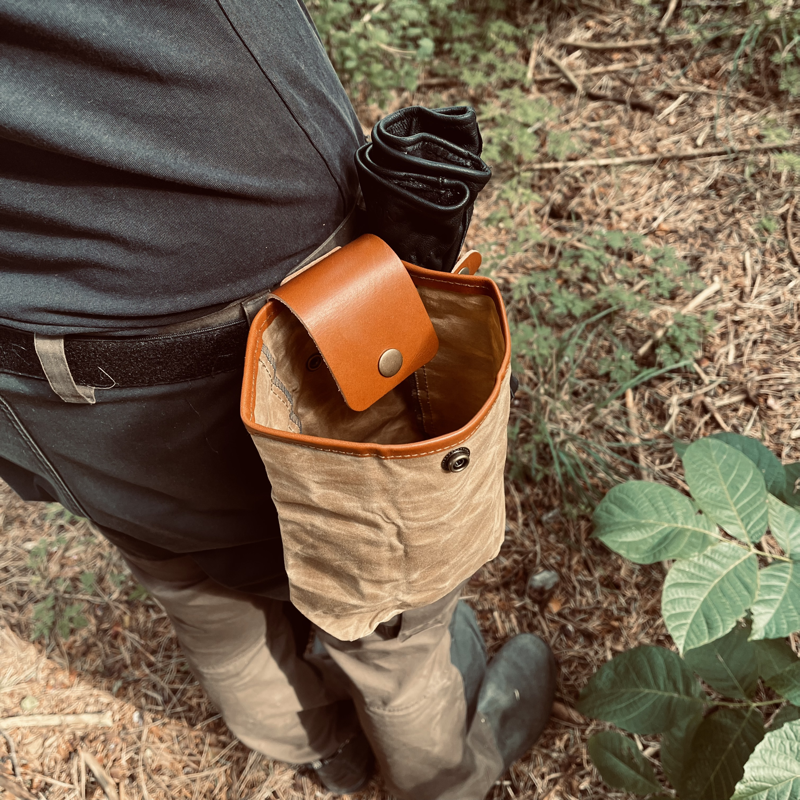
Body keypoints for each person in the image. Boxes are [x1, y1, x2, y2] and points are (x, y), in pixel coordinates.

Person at [0, 1, 557, 797]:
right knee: (391, 605)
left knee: (193, 575)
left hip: (30, 364)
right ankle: (443, 775)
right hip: (278, 310)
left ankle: (321, 750)